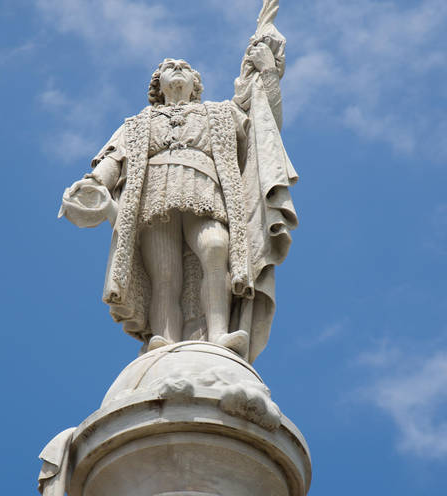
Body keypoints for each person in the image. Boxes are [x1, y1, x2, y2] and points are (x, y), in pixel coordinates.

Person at [61, 37, 297, 363]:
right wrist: (95, 183)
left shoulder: (220, 112)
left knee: (216, 247)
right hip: (155, 197)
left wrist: (266, 71)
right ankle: (165, 338)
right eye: (169, 67)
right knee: (165, 271)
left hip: (207, 192)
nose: (177, 69)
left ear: (195, 84)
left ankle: (218, 334)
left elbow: (262, 120)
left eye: (184, 67)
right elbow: (114, 159)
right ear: (158, 85)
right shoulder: (136, 124)